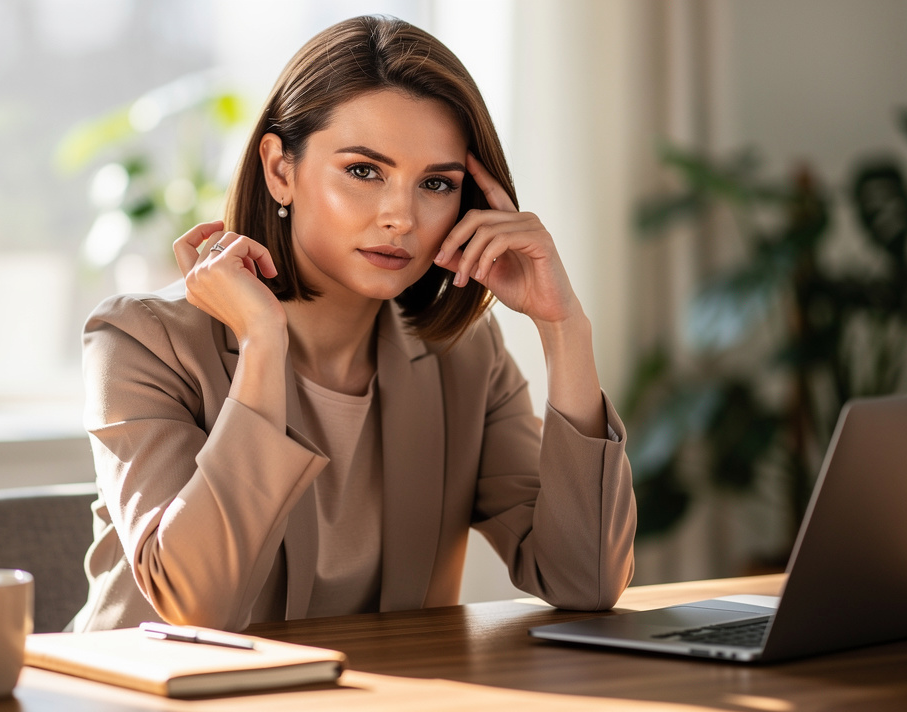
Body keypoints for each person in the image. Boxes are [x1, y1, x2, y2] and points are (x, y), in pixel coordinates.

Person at [70, 15, 635, 633]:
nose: (401, 216)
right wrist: (262, 346)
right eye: (365, 171)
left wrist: (564, 328)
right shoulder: (139, 341)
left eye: (436, 183)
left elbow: (585, 581)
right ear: (281, 170)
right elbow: (196, 608)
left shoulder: (464, 356)